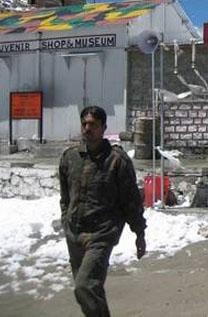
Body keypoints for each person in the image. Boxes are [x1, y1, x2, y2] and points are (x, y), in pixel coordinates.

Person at [59, 106, 147, 316]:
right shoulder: (70, 158)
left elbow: (131, 201)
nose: (87, 129)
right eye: (84, 124)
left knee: (85, 286)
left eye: (93, 125)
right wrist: (66, 220)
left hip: (101, 234)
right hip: (75, 234)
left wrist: (139, 233)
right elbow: (65, 197)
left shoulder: (116, 160)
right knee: (89, 292)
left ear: (104, 128)